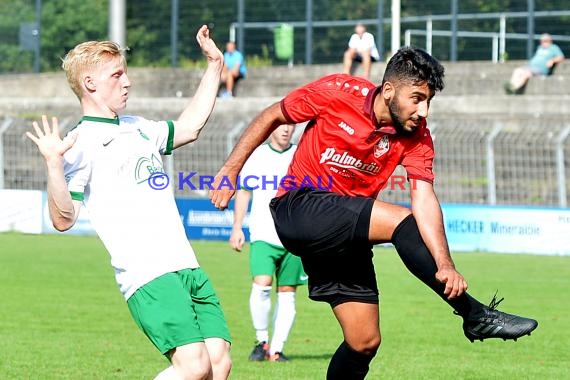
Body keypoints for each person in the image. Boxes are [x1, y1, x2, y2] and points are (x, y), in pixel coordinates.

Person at [210, 46, 538, 379]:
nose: (423, 110)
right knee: (399, 221)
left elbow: (423, 197)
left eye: (428, 102)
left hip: (344, 233)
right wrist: (230, 171)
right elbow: (272, 115)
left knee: (364, 341)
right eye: (417, 98)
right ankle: (474, 313)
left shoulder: (417, 135)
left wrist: (445, 264)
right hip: (299, 207)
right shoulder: (338, 91)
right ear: (390, 90)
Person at [26, 26, 232, 380]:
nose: (127, 82)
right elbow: (64, 219)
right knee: (194, 367)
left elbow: (190, 127)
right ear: (90, 83)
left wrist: (214, 65)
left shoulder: (140, 127)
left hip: (186, 263)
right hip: (147, 272)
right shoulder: (79, 142)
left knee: (218, 363)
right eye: (117, 74)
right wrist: (54, 165)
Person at [229, 123, 307, 363]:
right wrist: (237, 226)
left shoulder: (302, 154)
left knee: (287, 293)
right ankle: (261, 341)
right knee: (261, 285)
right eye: (281, 126)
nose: (286, 130)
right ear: (272, 128)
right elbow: (244, 191)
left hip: (295, 237)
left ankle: (276, 349)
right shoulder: (257, 155)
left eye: (291, 126)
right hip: (263, 233)